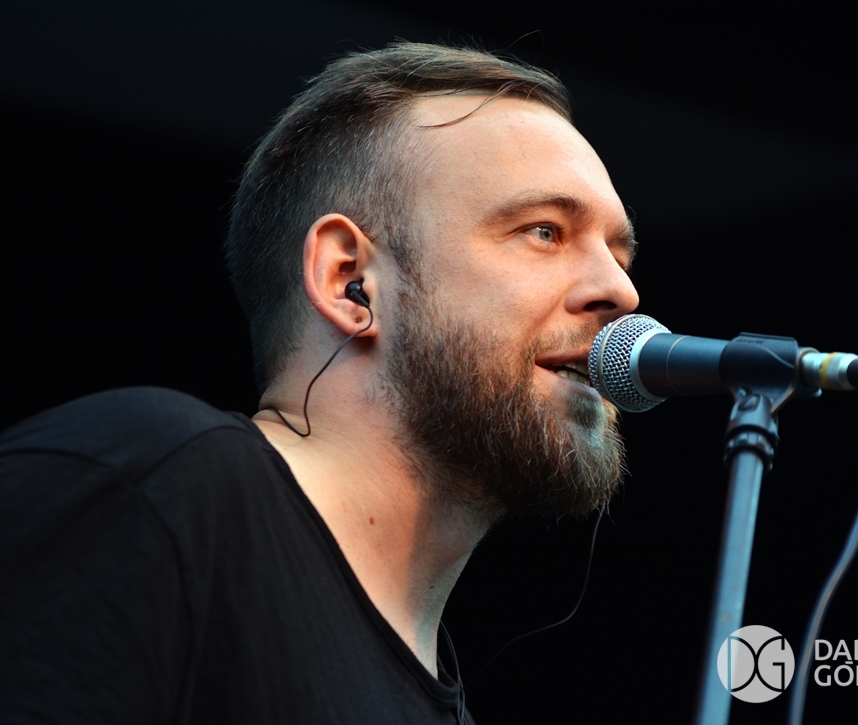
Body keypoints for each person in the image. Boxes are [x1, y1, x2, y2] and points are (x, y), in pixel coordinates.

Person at [0, 42, 639, 723]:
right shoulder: (158, 485)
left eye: (619, 254)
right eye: (544, 231)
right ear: (349, 280)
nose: (622, 293)